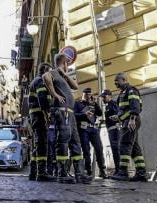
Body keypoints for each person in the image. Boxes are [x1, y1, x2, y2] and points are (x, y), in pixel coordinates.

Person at [43, 54, 91, 184]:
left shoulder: (61, 75)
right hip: (62, 111)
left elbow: (75, 86)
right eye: (67, 64)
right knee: (63, 141)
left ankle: (79, 174)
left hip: (70, 113)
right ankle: (62, 173)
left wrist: (64, 74)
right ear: (65, 63)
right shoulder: (52, 72)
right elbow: (45, 76)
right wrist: (55, 94)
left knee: (76, 142)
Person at [111, 73, 148, 181]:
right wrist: (118, 117)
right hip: (128, 121)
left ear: (124, 79)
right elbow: (124, 110)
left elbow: (135, 107)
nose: (115, 83)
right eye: (114, 81)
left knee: (124, 145)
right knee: (134, 148)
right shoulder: (122, 93)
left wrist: (132, 119)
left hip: (131, 121)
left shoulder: (131, 90)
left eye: (117, 80)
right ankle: (141, 174)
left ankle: (123, 172)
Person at [28, 63, 55, 181]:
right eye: (50, 71)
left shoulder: (36, 80)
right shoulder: (40, 81)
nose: (51, 75)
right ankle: (42, 173)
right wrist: (46, 116)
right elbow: (42, 99)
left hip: (35, 116)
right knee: (42, 143)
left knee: (38, 144)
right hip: (39, 116)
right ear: (45, 71)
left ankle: (33, 172)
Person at [74, 88, 107, 178]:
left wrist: (95, 103)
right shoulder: (77, 103)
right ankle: (88, 171)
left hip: (93, 129)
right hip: (83, 129)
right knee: (86, 150)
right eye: (87, 95)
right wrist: (84, 114)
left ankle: (102, 170)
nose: (88, 96)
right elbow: (74, 115)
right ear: (83, 94)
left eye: (90, 95)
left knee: (99, 149)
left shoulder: (92, 104)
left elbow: (100, 113)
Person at [100, 89, 120, 175]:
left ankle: (119, 170)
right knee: (114, 150)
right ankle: (118, 170)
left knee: (116, 150)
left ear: (109, 96)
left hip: (115, 130)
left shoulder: (113, 104)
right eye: (102, 97)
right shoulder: (108, 106)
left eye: (104, 97)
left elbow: (118, 115)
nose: (103, 99)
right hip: (111, 130)